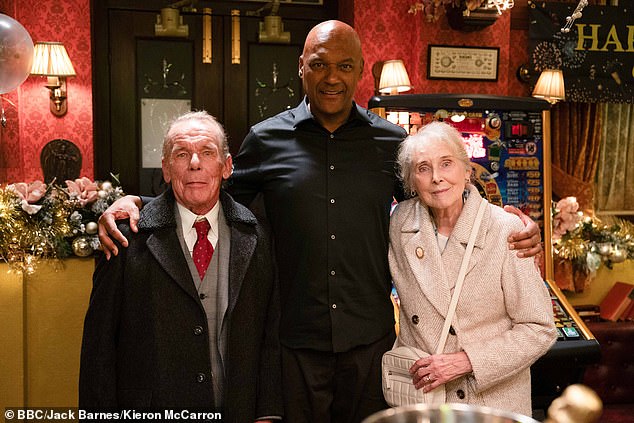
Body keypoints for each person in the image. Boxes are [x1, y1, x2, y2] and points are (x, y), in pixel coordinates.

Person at [97, 21, 542, 422]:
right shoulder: (267, 139)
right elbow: (209, 194)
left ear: (360, 70)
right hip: (292, 342)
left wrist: (507, 223)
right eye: (320, 64)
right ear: (301, 67)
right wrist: (139, 203)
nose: (332, 76)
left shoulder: (390, 142)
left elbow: (437, 199)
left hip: (371, 345)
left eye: (345, 66)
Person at [79, 111, 282, 423]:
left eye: (207, 152)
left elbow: (270, 336)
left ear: (227, 167)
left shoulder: (257, 236)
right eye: (182, 154)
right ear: (166, 168)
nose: (195, 163)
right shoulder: (124, 237)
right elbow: (98, 349)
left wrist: (268, 413)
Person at [388, 121, 557, 417]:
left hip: (488, 404)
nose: (437, 178)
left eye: (446, 164)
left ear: (467, 171)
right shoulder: (400, 222)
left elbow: (539, 328)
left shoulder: (506, 229)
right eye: (423, 168)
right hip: (422, 400)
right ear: (411, 182)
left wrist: (465, 361)